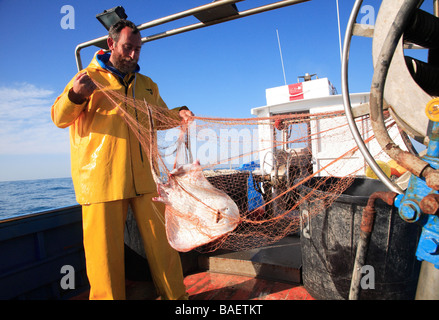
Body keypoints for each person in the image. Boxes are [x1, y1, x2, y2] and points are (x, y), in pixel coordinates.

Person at [51, 19, 192, 300]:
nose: (134, 55)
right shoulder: (88, 77)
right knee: (103, 257)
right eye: (128, 48)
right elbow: (59, 117)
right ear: (111, 44)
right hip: (99, 182)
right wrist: (75, 96)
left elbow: (160, 117)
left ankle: (178, 299)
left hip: (145, 179)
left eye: (138, 49)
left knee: (164, 248)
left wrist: (180, 114)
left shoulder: (147, 85)